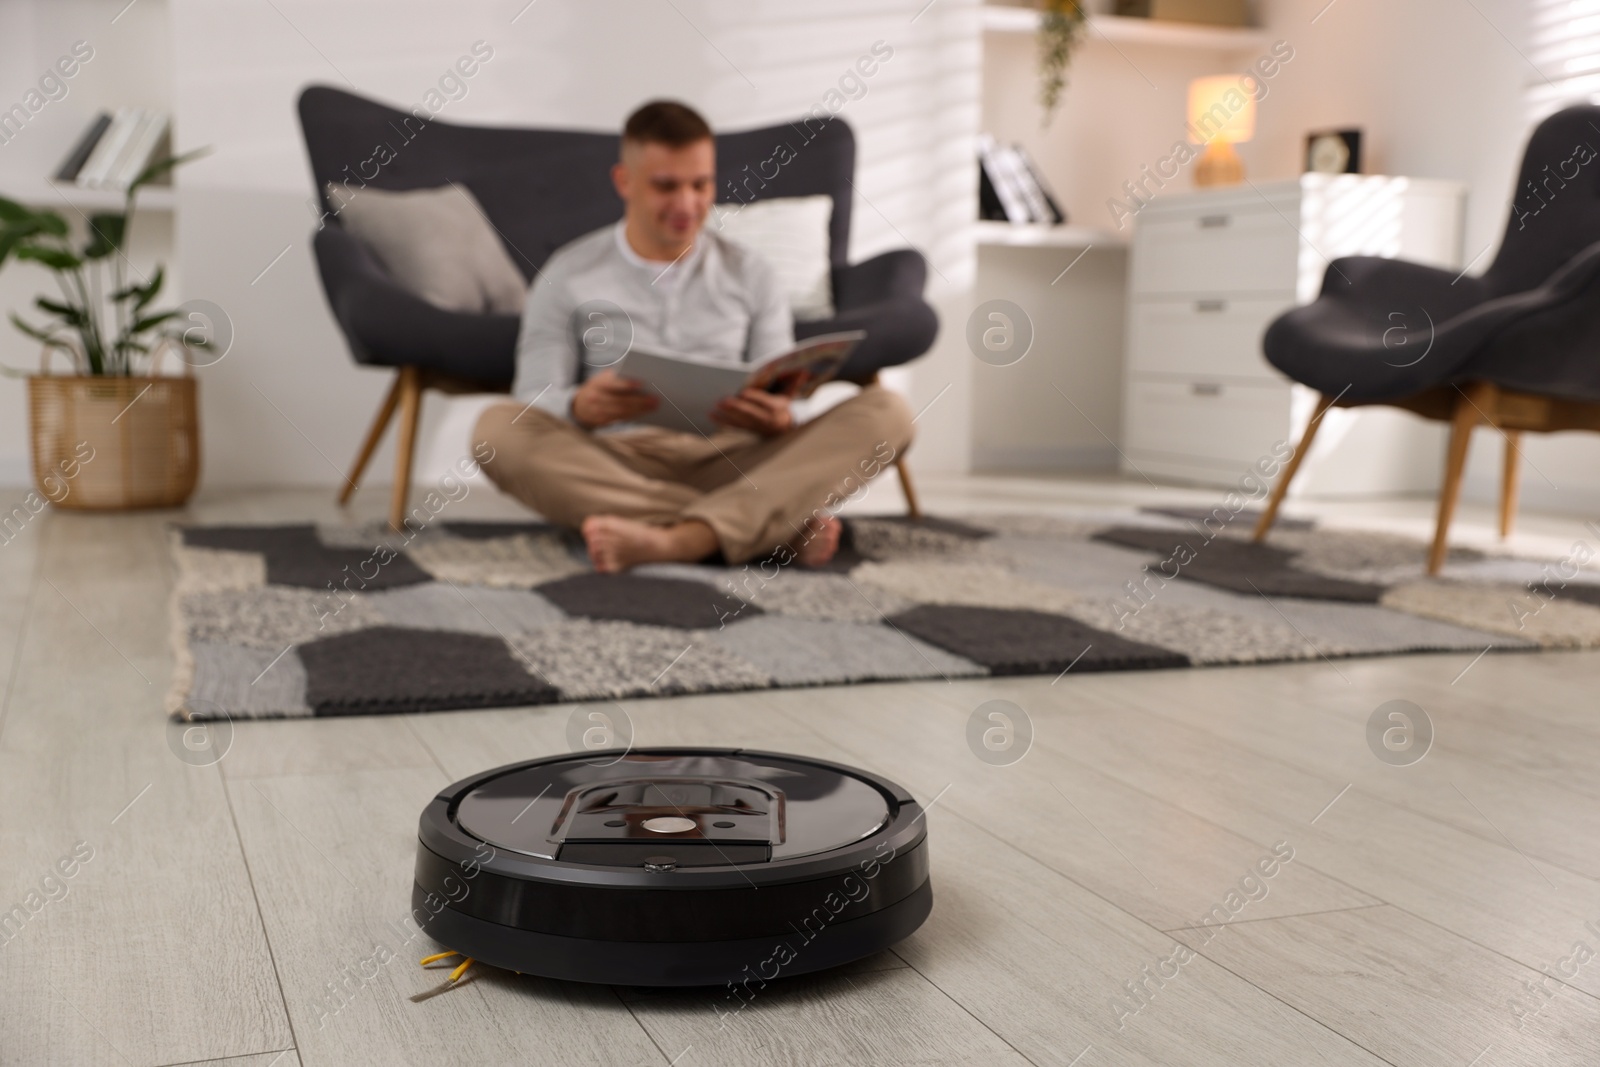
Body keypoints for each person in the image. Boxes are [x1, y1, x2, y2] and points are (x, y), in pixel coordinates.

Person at [473, 99, 913, 573]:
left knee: (889, 414)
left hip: (739, 458)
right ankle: (766, 528)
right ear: (625, 182)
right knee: (496, 431)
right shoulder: (568, 273)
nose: (687, 204)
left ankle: (677, 539)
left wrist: (780, 418)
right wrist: (578, 407)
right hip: (617, 460)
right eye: (666, 186)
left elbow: (782, 388)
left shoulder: (752, 273)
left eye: (700, 184)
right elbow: (531, 399)